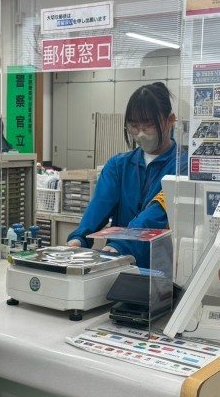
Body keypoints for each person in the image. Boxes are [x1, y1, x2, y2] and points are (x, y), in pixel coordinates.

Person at [67, 82, 185, 269]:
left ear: (170, 120)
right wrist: (79, 237)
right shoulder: (118, 165)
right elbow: (99, 206)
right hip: (117, 264)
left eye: (149, 125)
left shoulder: (183, 168)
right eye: (134, 126)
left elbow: (156, 213)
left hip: (159, 269)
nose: (141, 134)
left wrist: (123, 243)